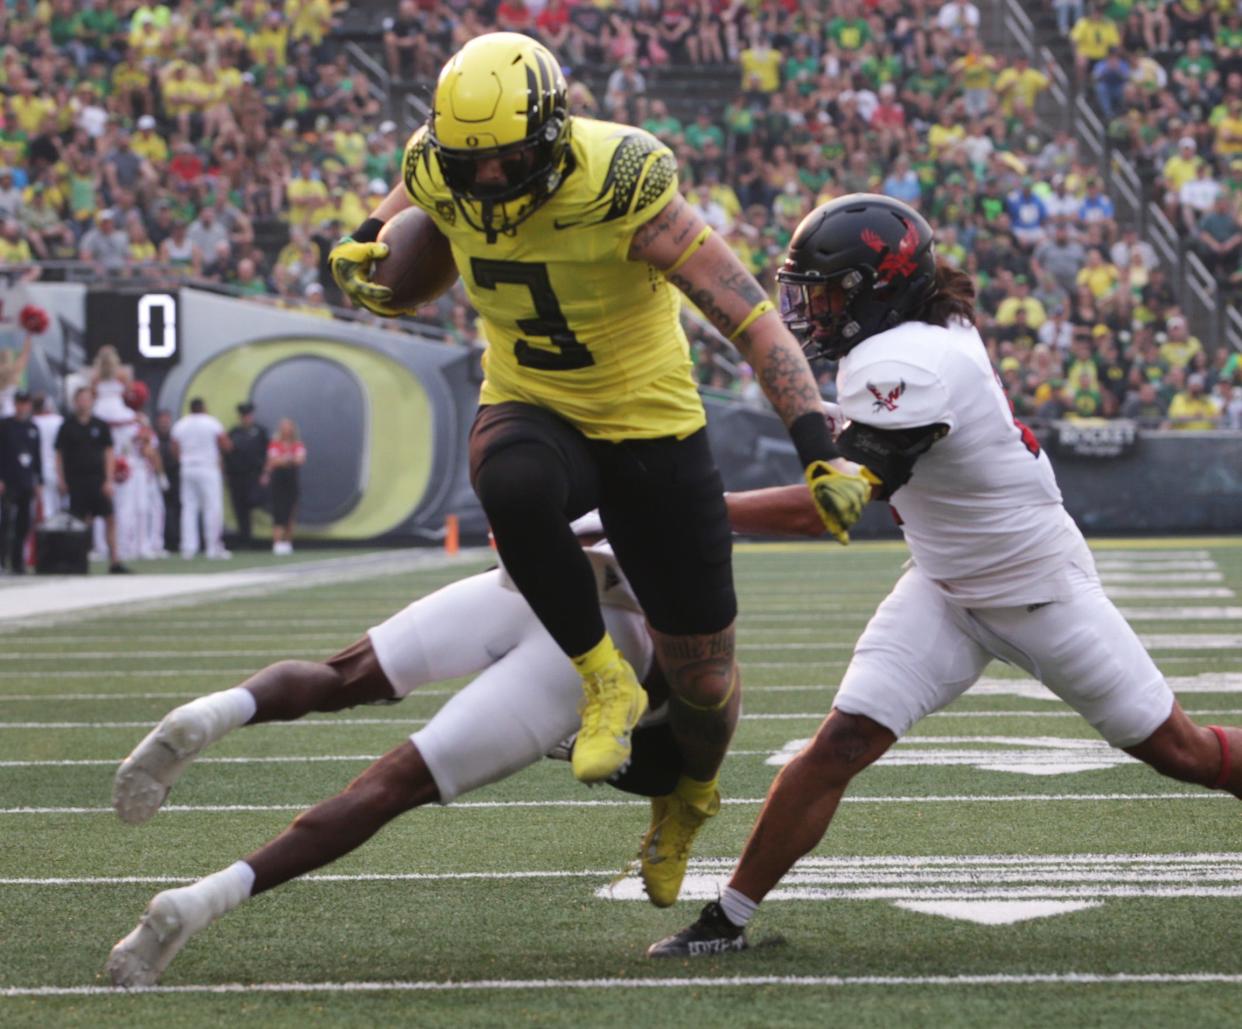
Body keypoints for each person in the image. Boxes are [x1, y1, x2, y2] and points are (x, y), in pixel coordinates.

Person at [328, 33, 869, 907]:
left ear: (556, 127)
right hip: (534, 403)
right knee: (511, 484)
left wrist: (819, 446)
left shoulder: (622, 180)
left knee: (703, 681)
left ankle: (687, 799)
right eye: (476, 162)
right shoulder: (441, 164)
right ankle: (604, 679)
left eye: (510, 158)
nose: (492, 180)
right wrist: (366, 237)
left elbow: (753, 319)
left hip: (651, 428)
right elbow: (418, 182)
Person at [649, 194, 1242, 957]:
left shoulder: (911, 361)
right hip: (943, 584)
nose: (814, 312)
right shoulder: (921, 335)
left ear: (880, 290)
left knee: (1184, 753)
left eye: (828, 294)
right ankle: (725, 920)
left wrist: (701, 508)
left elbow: (829, 508)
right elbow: (859, 434)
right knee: (839, 742)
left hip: (1038, 592)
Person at [106, 488, 817, 987]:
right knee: (389, 785)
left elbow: (515, 526)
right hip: (603, 638)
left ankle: (215, 710)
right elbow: (694, 671)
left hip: (514, 587)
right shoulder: (680, 484)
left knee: (339, 672)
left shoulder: (567, 421)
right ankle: (200, 900)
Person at [54, 385, 129, 574]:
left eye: (87, 399)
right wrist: (61, 480)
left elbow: (109, 453)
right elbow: (59, 455)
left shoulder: (100, 425)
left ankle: (114, 561)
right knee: (81, 522)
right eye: (81, 399)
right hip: (77, 481)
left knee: (109, 518)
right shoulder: (67, 426)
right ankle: (80, 561)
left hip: (98, 480)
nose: (84, 402)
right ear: (75, 402)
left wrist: (109, 479)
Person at [171, 398, 232, 560]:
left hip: (187, 467)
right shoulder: (211, 422)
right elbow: (226, 444)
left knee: (189, 508)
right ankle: (213, 547)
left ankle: (188, 547)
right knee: (212, 507)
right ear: (203, 407)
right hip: (207, 467)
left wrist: (184, 459)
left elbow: (175, 448)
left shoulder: (181, 424)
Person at [0, 389, 41, 573]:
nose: (23, 406)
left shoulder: (33, 428)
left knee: (23, 523)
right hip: (8, 481)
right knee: (6, 521)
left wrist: (38, 481)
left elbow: (36, 458)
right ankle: (2, 560)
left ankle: (18, 562)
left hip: (26, 482)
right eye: (20, 402)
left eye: (26, 403)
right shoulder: (5, 426)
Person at [224, 402, 269, 549]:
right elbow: (227, 453)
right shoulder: (234, 432)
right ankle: (245, 539)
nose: (246, 418)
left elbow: (267, 453)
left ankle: (264, 536)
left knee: (255, 501)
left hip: (254, 475)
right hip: (236, 476)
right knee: (240, 508)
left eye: (248, 415)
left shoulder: (260, 431)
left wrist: (265, 473)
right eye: (244, 416)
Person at [261, 417, 305, 555]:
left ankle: (287, 542)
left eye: (288, 427)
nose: (286, 430)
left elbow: (300, 460)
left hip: (291, 480)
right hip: (278, 481)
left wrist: (285, 459)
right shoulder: (275, 444)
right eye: (283, 427)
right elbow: (273, 461)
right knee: (279, 511)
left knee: (290, 512)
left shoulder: (297, 444)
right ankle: (277, 542)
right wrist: (286, 459)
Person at [31, 393, 63, 519]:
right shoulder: (59, 421)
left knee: (40, 507)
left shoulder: (32, 422)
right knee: (55, 507)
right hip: (55, 468)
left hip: (39, 469)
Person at [0, 332, 33, 417]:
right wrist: (29, 336)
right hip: (10, 414)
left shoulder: (13, 371)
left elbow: (24, 356)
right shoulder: (14, 371)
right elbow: (25, 355)